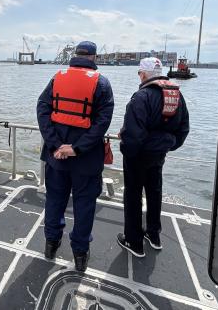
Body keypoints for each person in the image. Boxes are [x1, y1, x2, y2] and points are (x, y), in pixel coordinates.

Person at [37, 41, 114, 272]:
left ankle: (51, 244)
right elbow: (103, 122)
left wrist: (56, 145)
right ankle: (80, 255)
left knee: (54, 200)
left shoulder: (56, 77)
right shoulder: (102, 83)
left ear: (74, 55)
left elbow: (42, 109)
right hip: (86, 160)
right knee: (85, 206)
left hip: (56, 157)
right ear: (94, 58)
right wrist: (76, 148)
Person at [117, 57, 189, 257]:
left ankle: (133, 241)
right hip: (159, 155)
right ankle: (154, 234)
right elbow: (183, 128)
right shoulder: (176, 95)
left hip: (138, 156)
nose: (139, 77)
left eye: (140, 73)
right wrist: (167, 145)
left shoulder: (141, 97)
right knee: (154, 191)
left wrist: (128, 152)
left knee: (133, 195)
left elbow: (133, 134)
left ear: (143, 74)